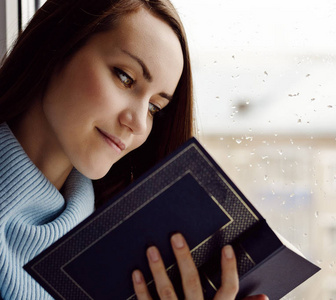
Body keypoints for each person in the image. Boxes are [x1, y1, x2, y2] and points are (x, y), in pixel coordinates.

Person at [0, 0, 267, 299]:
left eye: (155, 107)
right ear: (57, 46)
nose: (139, 124)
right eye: (125, 77)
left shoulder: (129, 253)